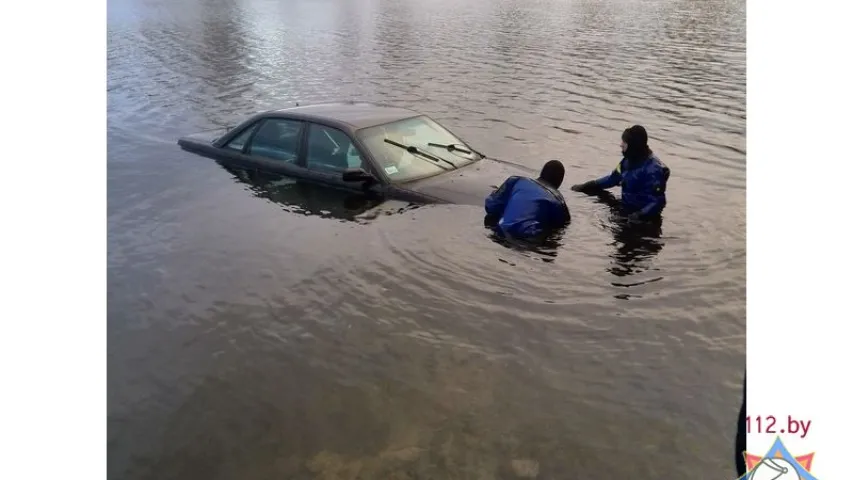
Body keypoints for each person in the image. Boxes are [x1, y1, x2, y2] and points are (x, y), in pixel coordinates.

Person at [570, 125, 670, 220]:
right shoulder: (627, 161)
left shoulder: (653, 170)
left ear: (632, 145)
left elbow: (658, 201)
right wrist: (588, 185)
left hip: (642, 219)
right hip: (625, 208)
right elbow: (612, 179)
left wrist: (638, 216)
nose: (621, 144)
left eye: (624, 142)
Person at [484, 160, 571, 239]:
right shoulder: (558, 201)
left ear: (542, 173)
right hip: (530, 241)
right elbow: (563, 226)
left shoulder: (516, 181)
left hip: (502, 231)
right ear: (560, 182)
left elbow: (491, 206)